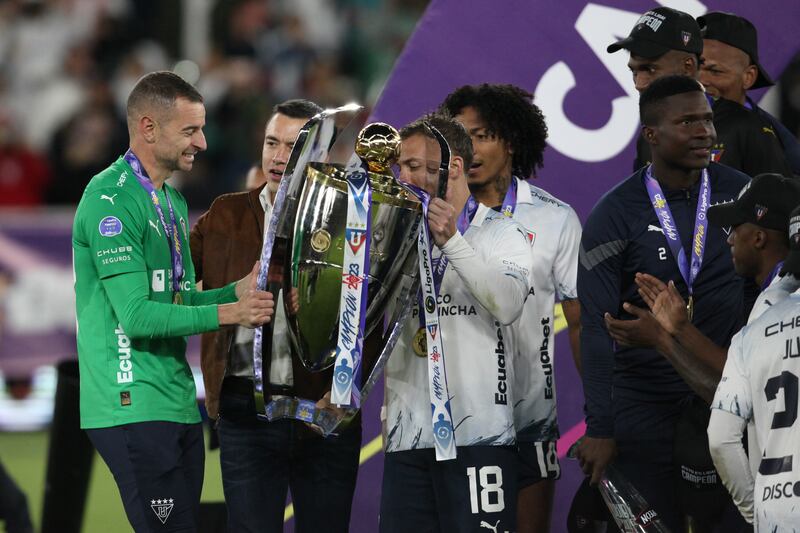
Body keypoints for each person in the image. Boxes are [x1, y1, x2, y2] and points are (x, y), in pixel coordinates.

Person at [72, 71, 274, 533]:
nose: (202, 142)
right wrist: (230, 313)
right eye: (189, 130)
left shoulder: (171, 202)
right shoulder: (110, 201)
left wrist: (232, 292)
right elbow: (138, 315)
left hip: (178, 401)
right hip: (131, 402)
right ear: (148, 128)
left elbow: (176, 298)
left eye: (201, 129)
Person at [575, 75, 750, 530]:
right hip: (643, 406)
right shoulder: (614, 214)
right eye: (688, 121)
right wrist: (599, 428)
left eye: (708, 120)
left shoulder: (745, 195)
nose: (705, 132)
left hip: (725, 399)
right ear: (652, 134)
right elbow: (595, 328)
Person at [191, 99, 365, 533]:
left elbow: (374, 313)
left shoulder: (351, 218)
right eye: (272, 142)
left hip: (324, 407)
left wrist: (348, 384)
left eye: (293, 145)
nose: (278, 155)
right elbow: (179, 290)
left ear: (320, 157)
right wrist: (227, 303)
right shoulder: (225, 215)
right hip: (244, 409)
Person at [440, 83, 582, 533]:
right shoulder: (429, 219)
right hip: (448, 423)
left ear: (512, 141)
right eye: (461, 137)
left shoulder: (555, 218)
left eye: (482, 135)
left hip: (529, 420)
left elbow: (580, 325)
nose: (471, 149)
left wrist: (602, 413)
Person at [381, 114, 532, 533]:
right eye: (401, 165)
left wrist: (452, 241)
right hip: (407, 436)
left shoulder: (503, 233)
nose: (403, 174)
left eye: (415, 166)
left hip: (479, 438)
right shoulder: (391, 238)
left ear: (454, 168)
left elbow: (506, 305)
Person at [608, 6, 790, 177]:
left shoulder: (750, 128)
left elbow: (781, 204)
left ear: (688, 67)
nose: (639, 84)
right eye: (634, 71)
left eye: (651, 69)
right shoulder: (650, 133)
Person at [708, 204, 800, 530]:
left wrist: (755, 511)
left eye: (736, 228)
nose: (730, 239)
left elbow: (720, 438)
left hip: (777, 511)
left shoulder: (757, 326)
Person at [697, 11, 800, 175]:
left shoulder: (770, 138)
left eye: (715, 71)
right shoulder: (665, 124)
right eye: (693, 67)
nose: (699, 80)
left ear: (748, 77)